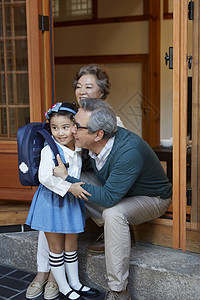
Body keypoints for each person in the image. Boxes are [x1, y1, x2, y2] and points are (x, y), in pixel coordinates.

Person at [53, 98, 173, 300]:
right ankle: (116, 231)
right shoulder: (91, 142)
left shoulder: (128, 151)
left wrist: (67, 178)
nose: (72, 130)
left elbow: (108, 198)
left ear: (98, 134)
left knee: (113, 212)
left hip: (152, 198)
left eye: (77, 126)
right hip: (118, 190)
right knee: (72, 183)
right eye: (73, 123)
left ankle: (119, 290)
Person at [26, 64, 122, 299]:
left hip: (87, 180)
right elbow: (49, 170)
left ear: (101, 92)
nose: (82, 91)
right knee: (49, 223)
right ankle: (45, 273)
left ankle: (60, 278)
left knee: (65, 234)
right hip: (62, 185)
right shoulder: (69, 118)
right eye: (79, 86)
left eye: (89, 86)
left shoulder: (110, 120)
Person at [25, 102, 99, 300]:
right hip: (52, 202)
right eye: (54, 128)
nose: (60, 133)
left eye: (65, 127)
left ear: (75, 126)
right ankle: (64, 287)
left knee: (71, 245)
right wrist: (69, 187)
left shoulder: (78, 147)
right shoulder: (49, 150)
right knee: (56, 249)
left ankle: (75, 283)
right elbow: (45, 178)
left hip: (71, 202)